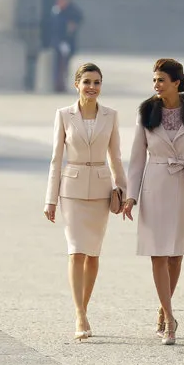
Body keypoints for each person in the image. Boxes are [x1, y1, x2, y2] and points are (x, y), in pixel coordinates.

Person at [122, 58, 184, 346]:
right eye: (154, 80)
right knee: (158, 253)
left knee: (176, 254)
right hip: (155, 184)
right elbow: (137, 158)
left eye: (161, 79)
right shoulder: (147, 111)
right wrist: (131, 196)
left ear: (176, 82)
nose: (156, 85)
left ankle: (163, 310)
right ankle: (170, 317)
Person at [44, 62, 127, 341]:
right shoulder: (64, 115)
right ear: (76, 84)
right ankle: (80, 314)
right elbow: (56, 158)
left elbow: (115, 157)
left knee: (93, 254)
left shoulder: (111, 115)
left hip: (102, 190)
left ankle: (84, 308)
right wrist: (50, 200)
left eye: (97, 82)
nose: (92, 87)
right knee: (76, 251)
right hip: (72, 189)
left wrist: (123, 192)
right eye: (87, 82)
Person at [49, 0, 83, 92]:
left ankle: (61, 85)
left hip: (67, 42)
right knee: (56, 65)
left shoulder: (72, 11)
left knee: (63, 65)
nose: (60, 1)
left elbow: (74, 24)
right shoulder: (56, 10)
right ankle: (57, 84)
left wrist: (66, 41)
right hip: (56, 42)